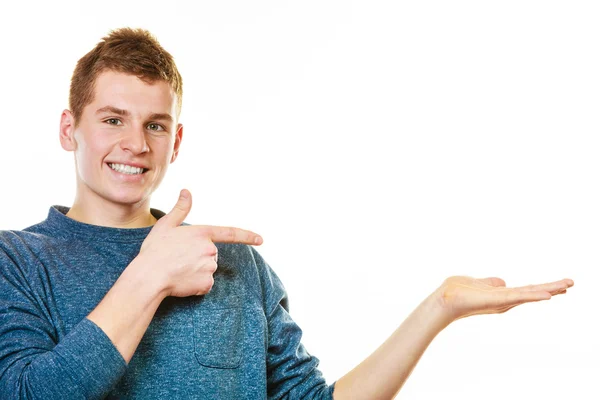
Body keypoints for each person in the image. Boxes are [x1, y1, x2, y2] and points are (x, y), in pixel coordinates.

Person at [0, 27, 574, 400]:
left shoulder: (233, 266)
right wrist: (148, 278)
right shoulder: (17, 261)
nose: (135, 143)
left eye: (155, 124)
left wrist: (436, 310)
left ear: (176, 142)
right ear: (68, 129)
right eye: (112, 119)